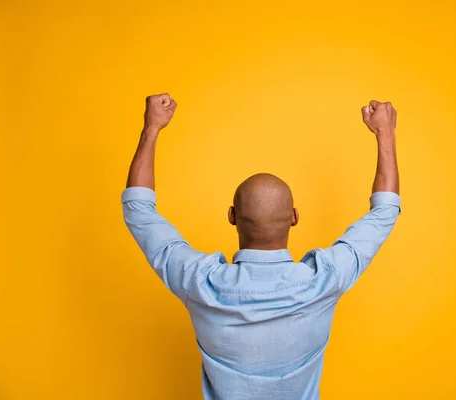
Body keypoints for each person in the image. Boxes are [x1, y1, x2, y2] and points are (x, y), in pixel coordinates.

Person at [122, 93, 401, 400]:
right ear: (294, 217)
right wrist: (384, 134)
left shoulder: (199, 281)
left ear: (232, 216)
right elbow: (384, 212)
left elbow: (139, 209)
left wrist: (152, 127)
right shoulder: (326, 278)